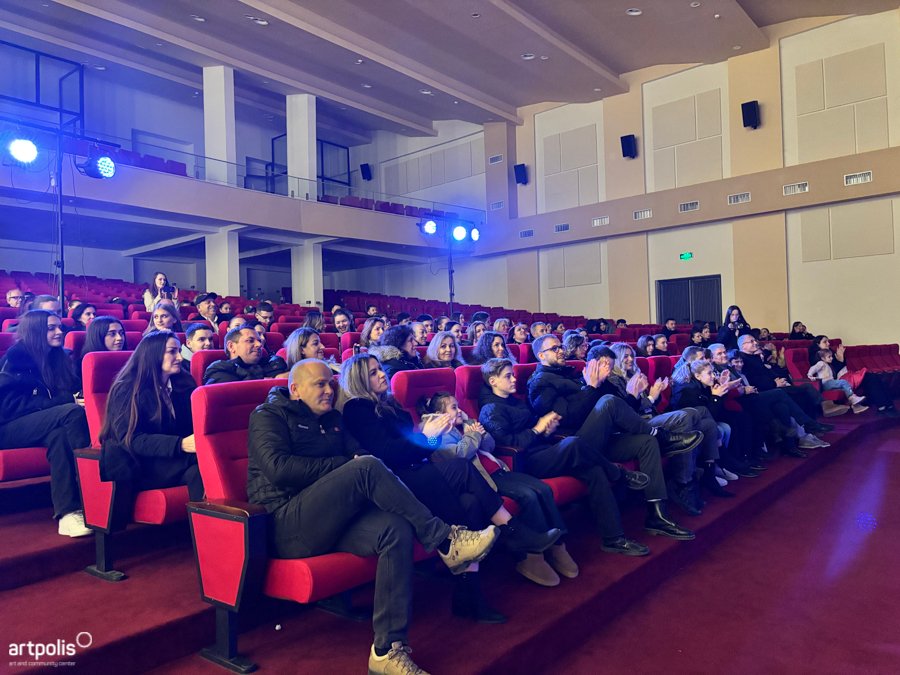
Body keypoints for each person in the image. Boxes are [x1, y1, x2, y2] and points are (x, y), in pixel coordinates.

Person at [247, 359, 499, 674]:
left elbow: (364, 456)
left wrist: (350, 466)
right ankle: (446, 540)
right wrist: (345, 466)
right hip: (286, 523)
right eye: (319, 384)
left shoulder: (333, 419)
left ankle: (386, 651)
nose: (329, 390)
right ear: (295, 390)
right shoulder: (268, 415)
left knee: (394, 528)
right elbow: (280, 470)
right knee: (365, 467)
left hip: (331, 517)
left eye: (330, 383)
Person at [340, 354, 560, 623]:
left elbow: (417, 447)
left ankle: (468, 596)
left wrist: (431, 436)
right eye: (373, 373)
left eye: (379, 369)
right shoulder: (357, 409)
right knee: (460, 467)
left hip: (418, 471)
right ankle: (513, 531)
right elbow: (388, 453)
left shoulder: (390, 405)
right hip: (395, 482)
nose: (381, 375)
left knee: (470, 503)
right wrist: (427, 435)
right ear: (359, 380)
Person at [479, 357, 663, 555]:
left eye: (513, 374)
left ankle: (614, 538)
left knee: (594, 471)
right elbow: (507, 444)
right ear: (493, 381)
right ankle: (618, 473)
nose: (514, 379)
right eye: (508, 376)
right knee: (573, 443)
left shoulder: (516, 402)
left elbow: (535, 429)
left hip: (544, 451)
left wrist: (547, 429)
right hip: (527, 463)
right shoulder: (490, 409)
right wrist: (537, 429)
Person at [526, 335, 700, 539]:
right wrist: (591, 387)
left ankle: (658, 515)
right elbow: (568, 417)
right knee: (608, 401)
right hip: (577, 445)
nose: (561, 350)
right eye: (554, 348)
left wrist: (607, 386)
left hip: (602, 435)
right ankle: (662, 436)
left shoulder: (571, 373)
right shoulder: (540, 383)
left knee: (646, 442)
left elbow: (615, 407)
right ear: (541, 356)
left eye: (561, 346)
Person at [419, 391, 576, 587]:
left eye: (459, 406)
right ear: (440, 414)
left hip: (499, 469)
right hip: (484, 479)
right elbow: (460, 455)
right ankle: (531, 558)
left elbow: (490, 446)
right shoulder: (437, 435)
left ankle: (557, 546)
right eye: (453, 408)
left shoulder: (464, 425)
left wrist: (476, 429)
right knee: (528, 495)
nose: (459, 410)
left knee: (542, 488)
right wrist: (474, 434)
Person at [605, 343, 729, 509]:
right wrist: (651, 397)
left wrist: (654, 396)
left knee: (706, 424)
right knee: (689, 414)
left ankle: (707, 474)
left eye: (632, 355)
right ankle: (683, 482)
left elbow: (647, 405)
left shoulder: (634, 374)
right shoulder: (614, 380)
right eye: (625, 356)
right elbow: (626, 414)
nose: (630, 359)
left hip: (651, 417)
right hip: (640, 424)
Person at [0, 310, 91, 536]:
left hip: (41, 424)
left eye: (59, 327)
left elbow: (70, 392)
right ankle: (92, 484)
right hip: (8, 427)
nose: (59, 332)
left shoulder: (59, 359)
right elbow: (9, 408)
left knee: (59, 437)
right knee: (72, 412)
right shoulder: (15, 360)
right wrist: (66, 401)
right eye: (51, 328)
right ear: (35, 331)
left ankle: (67, 513)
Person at [99, 330, 203, 500]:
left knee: (198, 470)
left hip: (172, 458)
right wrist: (181, 444)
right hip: (142, 463)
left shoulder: (183, 383)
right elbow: (130, 439)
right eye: (172, 352)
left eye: (179, 351)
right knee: (202, 460)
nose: (180, 357)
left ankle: (208, 516)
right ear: (153, 354)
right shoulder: (127, 389)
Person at [808, 336, 896, 416]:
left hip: (843, 377)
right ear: (817, 344)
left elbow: (840, 368)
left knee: (872, 376)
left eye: (828, 341)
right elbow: (831, 372)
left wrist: (841, 359)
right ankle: (882, 407)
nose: (828, 343)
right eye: (825, 342)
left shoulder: (830, 353)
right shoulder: (816, 357)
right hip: (835, 381)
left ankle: (888, 405)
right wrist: (840, 359)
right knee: (869, 378)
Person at [203, 325, 288, 384]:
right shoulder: (219, 369)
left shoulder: (272, 363)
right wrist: (272, 381)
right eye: (250, 341)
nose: (259, 345)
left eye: (259, 341)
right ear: (231, 346)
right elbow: (236, 394)